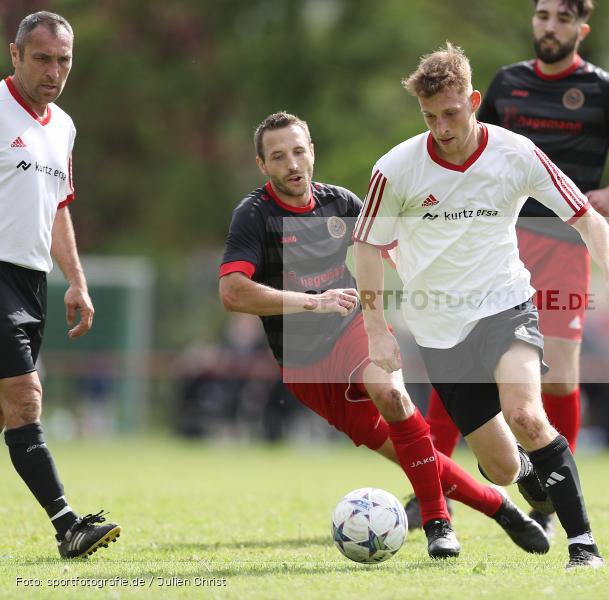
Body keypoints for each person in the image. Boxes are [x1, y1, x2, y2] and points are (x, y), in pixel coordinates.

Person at [353, 43, 609, 570]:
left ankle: (584, 546)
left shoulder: (516, 153)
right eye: (431, 116)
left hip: (506, 305)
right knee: (504, 465)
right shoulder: (396, 168)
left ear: (475, 100)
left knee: (527, 414)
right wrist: (377, 330)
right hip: (439, 331)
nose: (442, 126)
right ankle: (532, 482)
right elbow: (366, 246)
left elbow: (587, 217)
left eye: (452, 113)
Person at [219, 112, 549, 559]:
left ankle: (437, 522)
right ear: (262, 165)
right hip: (303, 362)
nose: (292, 164)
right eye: (278, 157)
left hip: (354, 327)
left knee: (393, 397)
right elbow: (233, 292)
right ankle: (501, 508)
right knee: (407, 453)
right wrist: (310, 301)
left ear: (312, 151)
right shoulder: (254, 215)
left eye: (299, 152)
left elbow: (399, 253)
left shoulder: (341, 203)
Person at [415, 0, 609, 535]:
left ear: (581, 28)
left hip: (566, 241)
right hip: (498, 238)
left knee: (563, 375)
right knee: (455, 355)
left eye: (561, 19)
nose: (549, 27)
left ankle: (550, 499)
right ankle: (434, 489)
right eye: (542, 15)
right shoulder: (507, 83)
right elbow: (469, 149)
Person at [0, 11, 121, 559]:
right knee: (26, 398)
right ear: (15, 54)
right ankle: (68, 525)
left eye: (64, 60)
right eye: (43, 58)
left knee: (5, 411)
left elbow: (58, 208)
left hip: (31, 282)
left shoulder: (64, 126)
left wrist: (76, 280)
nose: (54, 71)